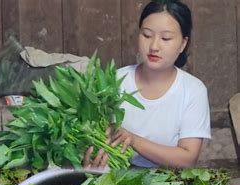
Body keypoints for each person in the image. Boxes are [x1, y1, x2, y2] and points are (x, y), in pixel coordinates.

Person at [84, 0, 210, 169]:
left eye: (166, 38)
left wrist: (133, 140)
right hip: (112, 179)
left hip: (169, 181)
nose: (154, 46)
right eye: (147, 35)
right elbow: (93, 138)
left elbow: (187, 159)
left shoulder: (193, 90)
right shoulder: (113, 81)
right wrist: (90, 162)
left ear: (183, 44)